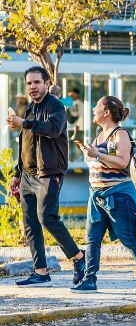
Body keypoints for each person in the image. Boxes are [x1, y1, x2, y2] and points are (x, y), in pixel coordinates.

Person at [7, 66, 86, 287]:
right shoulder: (31, 108)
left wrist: (24, 123)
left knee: (47, 217)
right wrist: (17, 173)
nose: (32, 87)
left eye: (36, 83)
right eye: (29, 83)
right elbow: (26, 144)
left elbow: (52, 129)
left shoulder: (56, 106)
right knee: (30, 223)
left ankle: (79, 258)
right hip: (27, 176)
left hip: (49, 173)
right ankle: (40, 272)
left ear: (47, 83)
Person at [70, 96, 136, 293]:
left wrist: (96, 154)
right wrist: (90, 153)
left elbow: (121, 161)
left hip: (117, 197)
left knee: (127, 238)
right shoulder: (101, 135)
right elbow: (109, 160)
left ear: (106, 112)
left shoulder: (119, 134)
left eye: (96, 106)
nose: (93, 109)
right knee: (92, 239)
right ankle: (90, 279)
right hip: (97, 197)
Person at [66, 88, 84, 161]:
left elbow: (82, 115)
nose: (70, 95)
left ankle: (81, 157)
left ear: (76, 94)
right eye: (70, 93)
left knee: (78, 143)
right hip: (69, 127)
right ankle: (71, 159)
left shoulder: (79, 103)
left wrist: (78, 126)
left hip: (77, 128)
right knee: (70, 144)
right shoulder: (69, 103)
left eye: (72, 93)